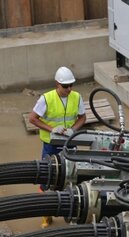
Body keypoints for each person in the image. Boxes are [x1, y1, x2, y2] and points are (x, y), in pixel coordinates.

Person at [29, 66, 86, 228]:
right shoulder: (46, 99)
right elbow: (33, 119)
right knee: (47, 180)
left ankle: (73, 213)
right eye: (66, 86)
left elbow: (83, 117)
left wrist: (73, 130)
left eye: (71, 85)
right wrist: (51, 129)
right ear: (57, 84)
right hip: (51, 146)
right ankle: (46, 216)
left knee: (73, 178)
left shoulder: (76, 97)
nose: (69, 89)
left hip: (70, 144)